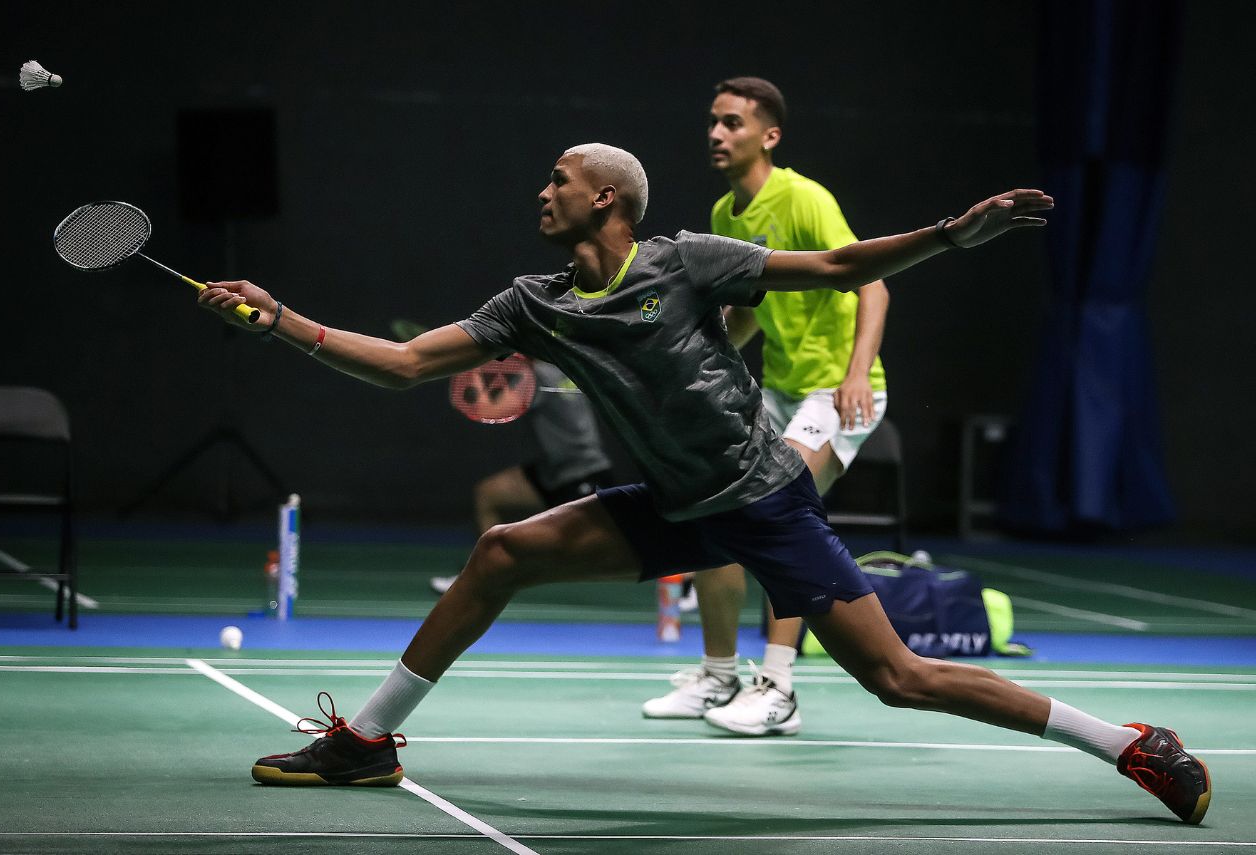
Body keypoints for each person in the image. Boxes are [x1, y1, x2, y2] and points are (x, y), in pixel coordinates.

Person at [198, 144, 1208, 824]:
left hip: (763, 501)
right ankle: (365, 742)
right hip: (674, 506)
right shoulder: (534, 304)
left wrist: (952, 232)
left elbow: (838, 264)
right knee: (501, 551)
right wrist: (280, 317)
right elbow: (405, 364)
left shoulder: (687, 263)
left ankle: (1125, 742)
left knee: (897, 679)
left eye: (557, 180)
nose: (538, 193)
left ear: (605, 198)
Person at [642, 77, 890, 736]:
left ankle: (777, 686)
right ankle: (717, 674)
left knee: (781, 514)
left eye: (731, 123)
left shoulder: (804, 198)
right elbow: (747, 317)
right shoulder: (726, 216)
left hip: (839, 387)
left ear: (768, 135)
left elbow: (874, 284)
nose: (716, 134)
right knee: (716, 509)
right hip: (781, 387)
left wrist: (857, 373)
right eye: (713, 122)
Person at [430, 359, 614, 594]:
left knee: (599, 556)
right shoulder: (565, 366)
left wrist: (469, 369)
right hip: (551, 472)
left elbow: (487, 410)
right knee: (489, 495)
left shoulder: (539, 375)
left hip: (581, 474)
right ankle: (485, 574)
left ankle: (675, 582)